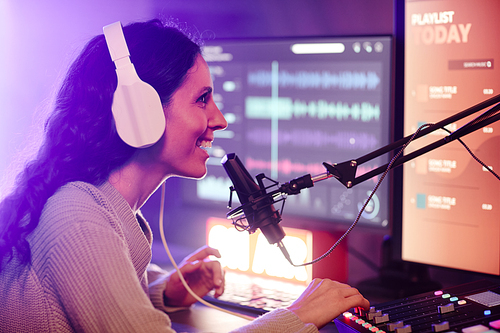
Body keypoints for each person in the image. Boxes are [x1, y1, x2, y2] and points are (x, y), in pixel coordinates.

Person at [0, 19, 369, 332]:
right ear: (139, 112)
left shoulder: (101, 209)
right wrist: (294, 318)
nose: (220, 120)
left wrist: (162, 292)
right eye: (202, 99)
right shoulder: (79, 217)